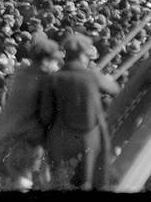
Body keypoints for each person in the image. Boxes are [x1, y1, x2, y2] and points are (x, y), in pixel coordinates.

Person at [39, 32, 119, 191]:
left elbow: (45, 114)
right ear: (83, 56)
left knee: (59, 179)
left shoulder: (53, 78)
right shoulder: (92, 75)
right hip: (88, 136)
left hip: (61, 135)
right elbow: (115, 89)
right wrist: (107, 80)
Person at [0, 32, 59, 190]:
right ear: (46, 61)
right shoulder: (44, 81)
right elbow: (47, 116)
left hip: (5, 140)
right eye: (55, 61)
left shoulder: (22, 74)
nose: (57, 65)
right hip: (25, 144)